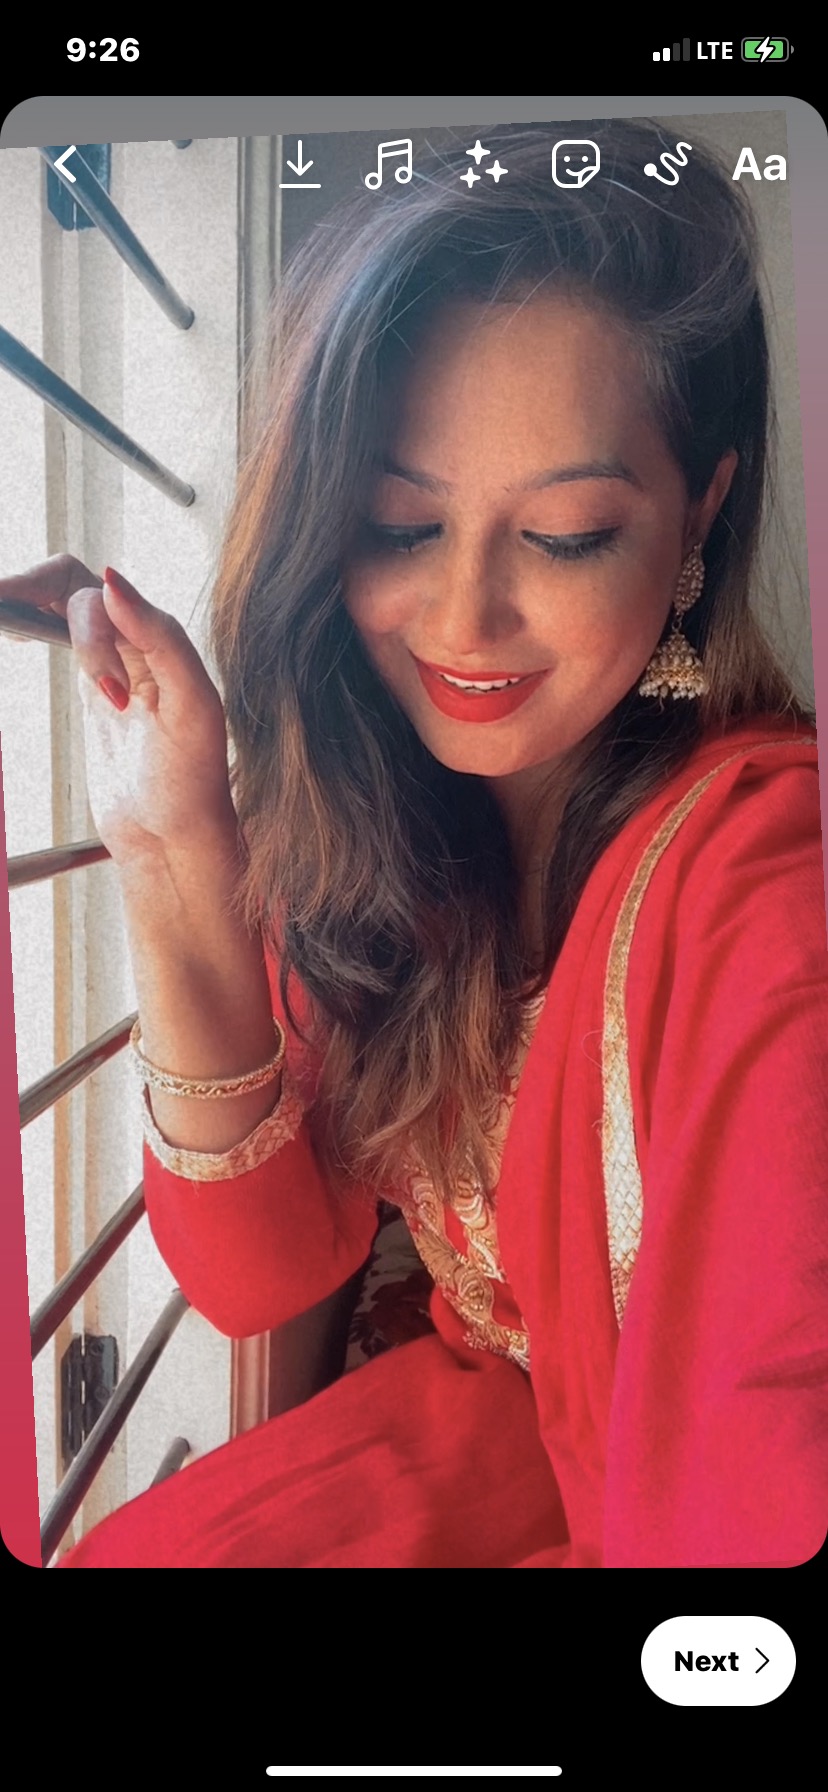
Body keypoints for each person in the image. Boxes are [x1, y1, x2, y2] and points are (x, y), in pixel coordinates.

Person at [5, 120, 826, 1567]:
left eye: (564, 536)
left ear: (701, 507)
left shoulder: (768, 880)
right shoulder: (386, 817)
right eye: (398, 526)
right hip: (493, 1427)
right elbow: (260, 1271)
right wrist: (174, 842)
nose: (461, 623)